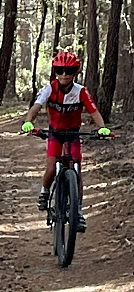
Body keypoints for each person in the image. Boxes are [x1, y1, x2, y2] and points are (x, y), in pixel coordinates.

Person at [21, 51, 111, 233]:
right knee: (51, 168)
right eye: (60, 70)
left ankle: (77, 211)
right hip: (55, 134)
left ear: (75, 73)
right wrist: (29, 121)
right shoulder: (50, 88)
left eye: (68, 71)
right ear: (55, 71)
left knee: (76, 170)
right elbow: (36, 107)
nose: (64, 75)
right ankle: (45, 192)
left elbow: (94, 112)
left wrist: (102, 127)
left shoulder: (81, 91)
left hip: (73, 134)